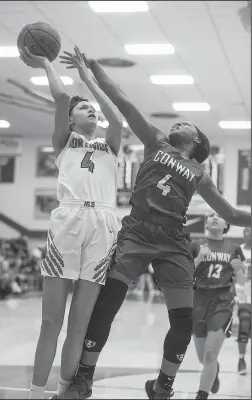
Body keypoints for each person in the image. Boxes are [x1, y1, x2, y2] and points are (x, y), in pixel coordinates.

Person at [58, 46, 252, 400]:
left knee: (181, 321)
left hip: (173, 240)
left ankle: (163, 387)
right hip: (135, 231)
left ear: (196, 143)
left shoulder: (200, 174)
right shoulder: (156, 141)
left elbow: (233, 216)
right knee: (108, 306)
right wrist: (92, 69)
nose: (177, 122)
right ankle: (84, 376)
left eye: (186, 124)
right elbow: (124, 101)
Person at [19, 46, 122, 400]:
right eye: (84, 108)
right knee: (52, 322)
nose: (91, 110)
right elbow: (61, 96)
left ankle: (63, 392)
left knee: (78, 325)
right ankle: (35, 393)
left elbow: (117, 118)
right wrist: (46, 61)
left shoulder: (110, 146)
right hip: (69, 220)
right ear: (69, 119)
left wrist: (89, 80)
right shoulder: (64, 142)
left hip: (104, 224)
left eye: (92, 108)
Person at [190, 212, 246, 399]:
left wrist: (240, 272)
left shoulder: (234, 248)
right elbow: (185, 276)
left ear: (226, 225)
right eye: (211, 216)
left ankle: (202, 394)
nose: (214, 217)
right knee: (203, 357)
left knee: (210, 352)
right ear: (206, 223)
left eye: (219, 216)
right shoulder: (195, 245)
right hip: (198, 301)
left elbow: (241, 281)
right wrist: (198, 260)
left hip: (223, 302)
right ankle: (215, 370)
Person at [235, 227, 251, 375]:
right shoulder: (239, 250)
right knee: (244, 324)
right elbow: (234, 271)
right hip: (244, 293)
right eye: (246, 231)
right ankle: (241, 360)